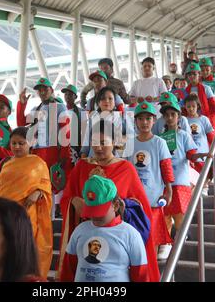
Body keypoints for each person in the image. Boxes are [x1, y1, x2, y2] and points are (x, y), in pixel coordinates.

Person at [58, 119, 161, 282]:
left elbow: (140, 206)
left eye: (102, 142)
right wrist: (74, 201)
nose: (98, 148)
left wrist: (119, 205)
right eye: (93, 142)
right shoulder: (81, 167)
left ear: (114, 142)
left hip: (117, 238)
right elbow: (66, 198)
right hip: (87, 232)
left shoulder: (126, 168)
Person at [0, 127, 53, 278]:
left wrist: (38, 192)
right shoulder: (6, 162)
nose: (16, 147)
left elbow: (46, 185)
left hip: (26, 213)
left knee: (22, 249)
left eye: (21, 143)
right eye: (13, 143)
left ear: (31, 143)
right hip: (3, 213)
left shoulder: (38, 163)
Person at [60, 175, 149, 282]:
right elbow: (68, 269)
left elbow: (140, 274)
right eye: (91, 211)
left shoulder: (130, 234)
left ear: (115, 205)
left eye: (99, 211)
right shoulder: (80, 230)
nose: (94, 216)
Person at [158, 100, 209, 258]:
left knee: (180, 214)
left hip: (180, 181)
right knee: (164, 213)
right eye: (167, 115)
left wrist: (200, 155)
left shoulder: (184, 135)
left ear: (179, 116)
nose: (170, 117)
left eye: (173, 114)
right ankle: (165, 243)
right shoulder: (160, 138)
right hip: (164, 183)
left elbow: (190, 154)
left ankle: (180, 237)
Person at [129, 101, 174, 258]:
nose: (144, 122)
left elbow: (166, 168)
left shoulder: (159, 142)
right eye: (140, 119)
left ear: (154, 120)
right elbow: (124, 171)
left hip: (153, 200)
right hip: (133, 202)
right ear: (135, 121)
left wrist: (169, 190)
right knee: (135, 242)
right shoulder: (129, 143)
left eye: (148, 118)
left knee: (152, 240)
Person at [17, 77, 72, 195]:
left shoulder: (60, 106)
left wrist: (63, 155)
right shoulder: (36, 109)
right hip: (36, 151)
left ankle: (50, 213)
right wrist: (22, 104)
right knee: (37, 185)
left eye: (45, 89)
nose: (42, 92)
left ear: (51, 90)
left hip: (52, 151)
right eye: (39, 90)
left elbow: (66, 133)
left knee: (49, 187)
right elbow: (21, 124)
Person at [80, 87, 126, 158]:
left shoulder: (120, 118)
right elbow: (86, 140)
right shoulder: (93, 117)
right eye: (103, 98)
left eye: (110, 98)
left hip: (112, 160)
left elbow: (130, 137)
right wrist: (83, 158)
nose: (107, 101)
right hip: (93, 158)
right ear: (98, 102)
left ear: (114, 102)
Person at [184, 94, 215, 196]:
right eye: (188, 106)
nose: (191, 109)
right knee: (194, 174)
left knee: (204, 171)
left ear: (198, 106)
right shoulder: (183, 120)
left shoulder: (204, 119)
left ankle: (205, 187)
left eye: (193, 106)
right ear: (185, 107)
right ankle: (196, 191)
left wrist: (214, 148)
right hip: (190, 153)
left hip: (203, 151)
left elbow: (210, 135)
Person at [62, 84, 86, 164]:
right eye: (66, 94)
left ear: (75, 97)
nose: (67, 96)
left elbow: (84, 132)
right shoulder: (60, 111)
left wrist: (82, 150)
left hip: (76, 148)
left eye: (70, 94)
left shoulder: (81, 112)